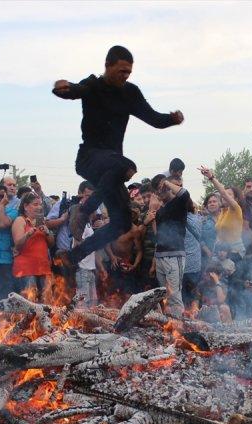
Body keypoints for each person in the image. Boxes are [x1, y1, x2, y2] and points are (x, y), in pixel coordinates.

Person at [53, 45, 184, 266]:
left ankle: (73, 256)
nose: (125, 76)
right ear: (108, 65)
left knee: (122, 223)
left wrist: (172, 119)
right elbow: (75, 90)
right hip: (89, 158)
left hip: (111, 169)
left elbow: (153, 118)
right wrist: (61, 88)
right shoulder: (93, 85)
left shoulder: (130, 93)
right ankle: (83, 211)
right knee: (126, 166)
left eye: (129, 72)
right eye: (122, 71)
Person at [147, 174, 191, 318]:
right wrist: (152, 214)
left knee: (174, 295)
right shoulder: (161, 209)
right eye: (157, 190)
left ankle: (179, 325)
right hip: (160, 256)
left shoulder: (179, 202)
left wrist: (166, 182)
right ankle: (169, 325)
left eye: (162, 188)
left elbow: (185, 193)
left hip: (174, 256)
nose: (160, 192)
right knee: (165, 294)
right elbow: (157, 236)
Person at [12, 192, 54, 300]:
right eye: (35, 204)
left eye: (40, 204)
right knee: (30, 304)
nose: (39, 207)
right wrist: (28, 234)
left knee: (47, 303)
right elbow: (17, 244)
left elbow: (51, 244)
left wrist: (47, 232)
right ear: (26, 206)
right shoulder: (20, 220)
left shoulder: (42, 221)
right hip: (26, 269)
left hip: (43, 268)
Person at [199, 166, 246, 259]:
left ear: (236, 199)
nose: (224, 196)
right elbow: (219, 236)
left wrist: (211, 177)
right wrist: (214, 253)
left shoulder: (236, 209)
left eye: (229, 194)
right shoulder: (223, 212)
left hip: (235, 253)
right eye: (224, 194)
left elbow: (223, 193)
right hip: (222, 253)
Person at [200, 192, 220, 262]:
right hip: (207, 260)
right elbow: (200, 238)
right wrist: (208, 252)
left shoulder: (225, 219)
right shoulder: (203, 221)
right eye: (209, 202)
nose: (212, 204)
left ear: (219, 203)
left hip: (226, 258)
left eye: (214, 201)